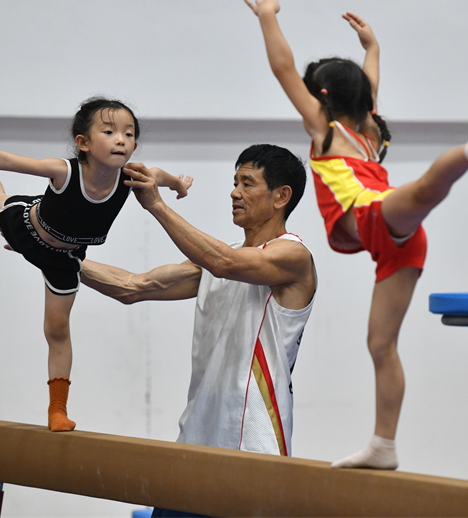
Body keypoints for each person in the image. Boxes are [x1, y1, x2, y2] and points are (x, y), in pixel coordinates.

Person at [245, 0, 468, 469]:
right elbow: (371, 86)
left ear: (321, 98)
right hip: (391, 238)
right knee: (380, 344)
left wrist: (267, 17)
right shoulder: (368, 130)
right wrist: (373, 48)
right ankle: (383, 445)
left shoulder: (325, 130)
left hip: (373, 217)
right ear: (361, 100)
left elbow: (283, 69)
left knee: (425, 190)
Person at [0, 97, 193, 432]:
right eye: (109, 131)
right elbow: (5, 158)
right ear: (83, 143)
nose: (122, 139)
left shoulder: (133, 177)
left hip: (65, 259)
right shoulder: (65, 171)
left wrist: (179, 186)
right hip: (29, 230)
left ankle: (57, 410)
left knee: (57, 329)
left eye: (129, 134)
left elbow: (161, 176)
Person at [81, 144, 316, 463]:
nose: (234, 193)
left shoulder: (293, 256)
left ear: (280, 196)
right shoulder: (214, 261)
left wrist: (157, 205)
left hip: (252, 442)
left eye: (247, 184)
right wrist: (57, 256)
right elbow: (132, 287)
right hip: (195, 437)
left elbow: (225, 262)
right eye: (234, 183)